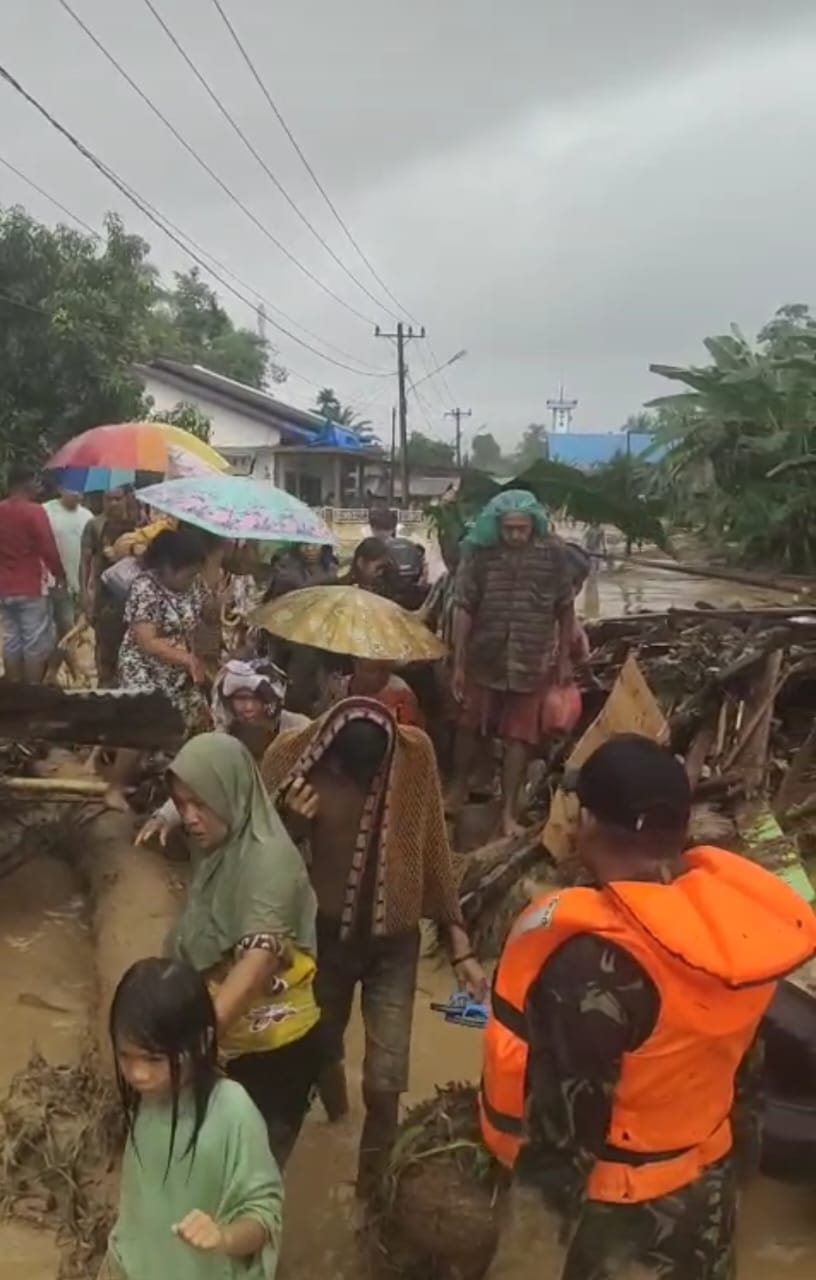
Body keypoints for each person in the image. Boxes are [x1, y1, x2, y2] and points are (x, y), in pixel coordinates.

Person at [479, 735, 816, 1280]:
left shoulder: (590, 963)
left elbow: (560, 1153)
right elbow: (747, 1087)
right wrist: (731, 1195)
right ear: (683, 829)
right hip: (706, 1208)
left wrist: (520, 1265)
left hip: (619, 1231)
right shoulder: (735, 939)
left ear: (586, 820)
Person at [262, 696, 485, 1197]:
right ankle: (275, 1178)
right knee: (310, 1059)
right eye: (348, 776)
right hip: (323, 937)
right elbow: (260, 850)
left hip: (394, 946)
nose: (360, 789)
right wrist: (295, 821)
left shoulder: (414, 757)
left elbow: (432, 849)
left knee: (386, 1084)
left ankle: (371, 1198)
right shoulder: (295, 762)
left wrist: (461, 947)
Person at [164, 733, 323, 1168]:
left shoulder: (268, 860)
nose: (190, 818)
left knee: (250, 1186)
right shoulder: (219, 851)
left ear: (230, 792)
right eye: (181, 805)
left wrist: (191, 1048)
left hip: (271, 1053)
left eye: (201, 803)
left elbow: (258, 959)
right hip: (230, 1039)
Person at [104, 957, 283, 1280]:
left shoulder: (233, 1111)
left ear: (201, 1042)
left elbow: (263, 1214)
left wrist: (224, 1236)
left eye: (154, 1058)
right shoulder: (142, 1102)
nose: (137, 1073)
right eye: (125, 1056)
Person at [448, 490, 574, 837]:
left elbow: (565, 609)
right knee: (467, 726)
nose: (516, 535)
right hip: (483, 655)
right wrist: (458, 663)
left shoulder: (554, 556)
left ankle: (508, 812)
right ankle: (457, 791)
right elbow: (464, 606)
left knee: (521, 736)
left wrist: (563, 660)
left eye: (522, 528)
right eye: (509, 529)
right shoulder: (480, 554)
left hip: (530, 659)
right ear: (497, 526)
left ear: (534, 525)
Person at [137, 659, 310, 848]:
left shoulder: (301, 728)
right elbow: (199, 778)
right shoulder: (226, 736)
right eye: (240, 699)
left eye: (254, 698)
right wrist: (164, 817)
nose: (247, 707)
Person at [0, 465, 64, 683]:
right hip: (30, 586)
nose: (39, 486)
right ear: (23, 483)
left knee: (11, 641)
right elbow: (48, 548)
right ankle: (31, 697)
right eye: (35, 481)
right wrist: (60, 575)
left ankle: (13, 695)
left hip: (3, 587)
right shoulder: (35, 511)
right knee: (34, 643)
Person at [80, 488, 138, 686]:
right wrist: (84, 594)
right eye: (108, 499)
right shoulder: (94, 526)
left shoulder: (139, 526)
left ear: (126, 499)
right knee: (104, 646)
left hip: (134, 595)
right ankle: (104, 686)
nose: (113, 503)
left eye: (117, 499)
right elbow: (85, 562)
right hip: (105, 597)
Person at [43, 487, 93, 641]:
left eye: (80, 489)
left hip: (80, 582)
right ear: (61, 489)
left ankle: (59, 664)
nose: (77, 493)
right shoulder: (46, 511)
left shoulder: (87, 516)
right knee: (65, 625)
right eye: (73, 489)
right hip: (54, 580)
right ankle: (72, 664)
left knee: (69, 630)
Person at [326, 659, 424, 728]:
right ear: (356, 664)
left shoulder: (401, 692)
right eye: (372, 671)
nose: (381, 677)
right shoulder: (338, 689)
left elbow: (414, 737)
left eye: (385, 669)